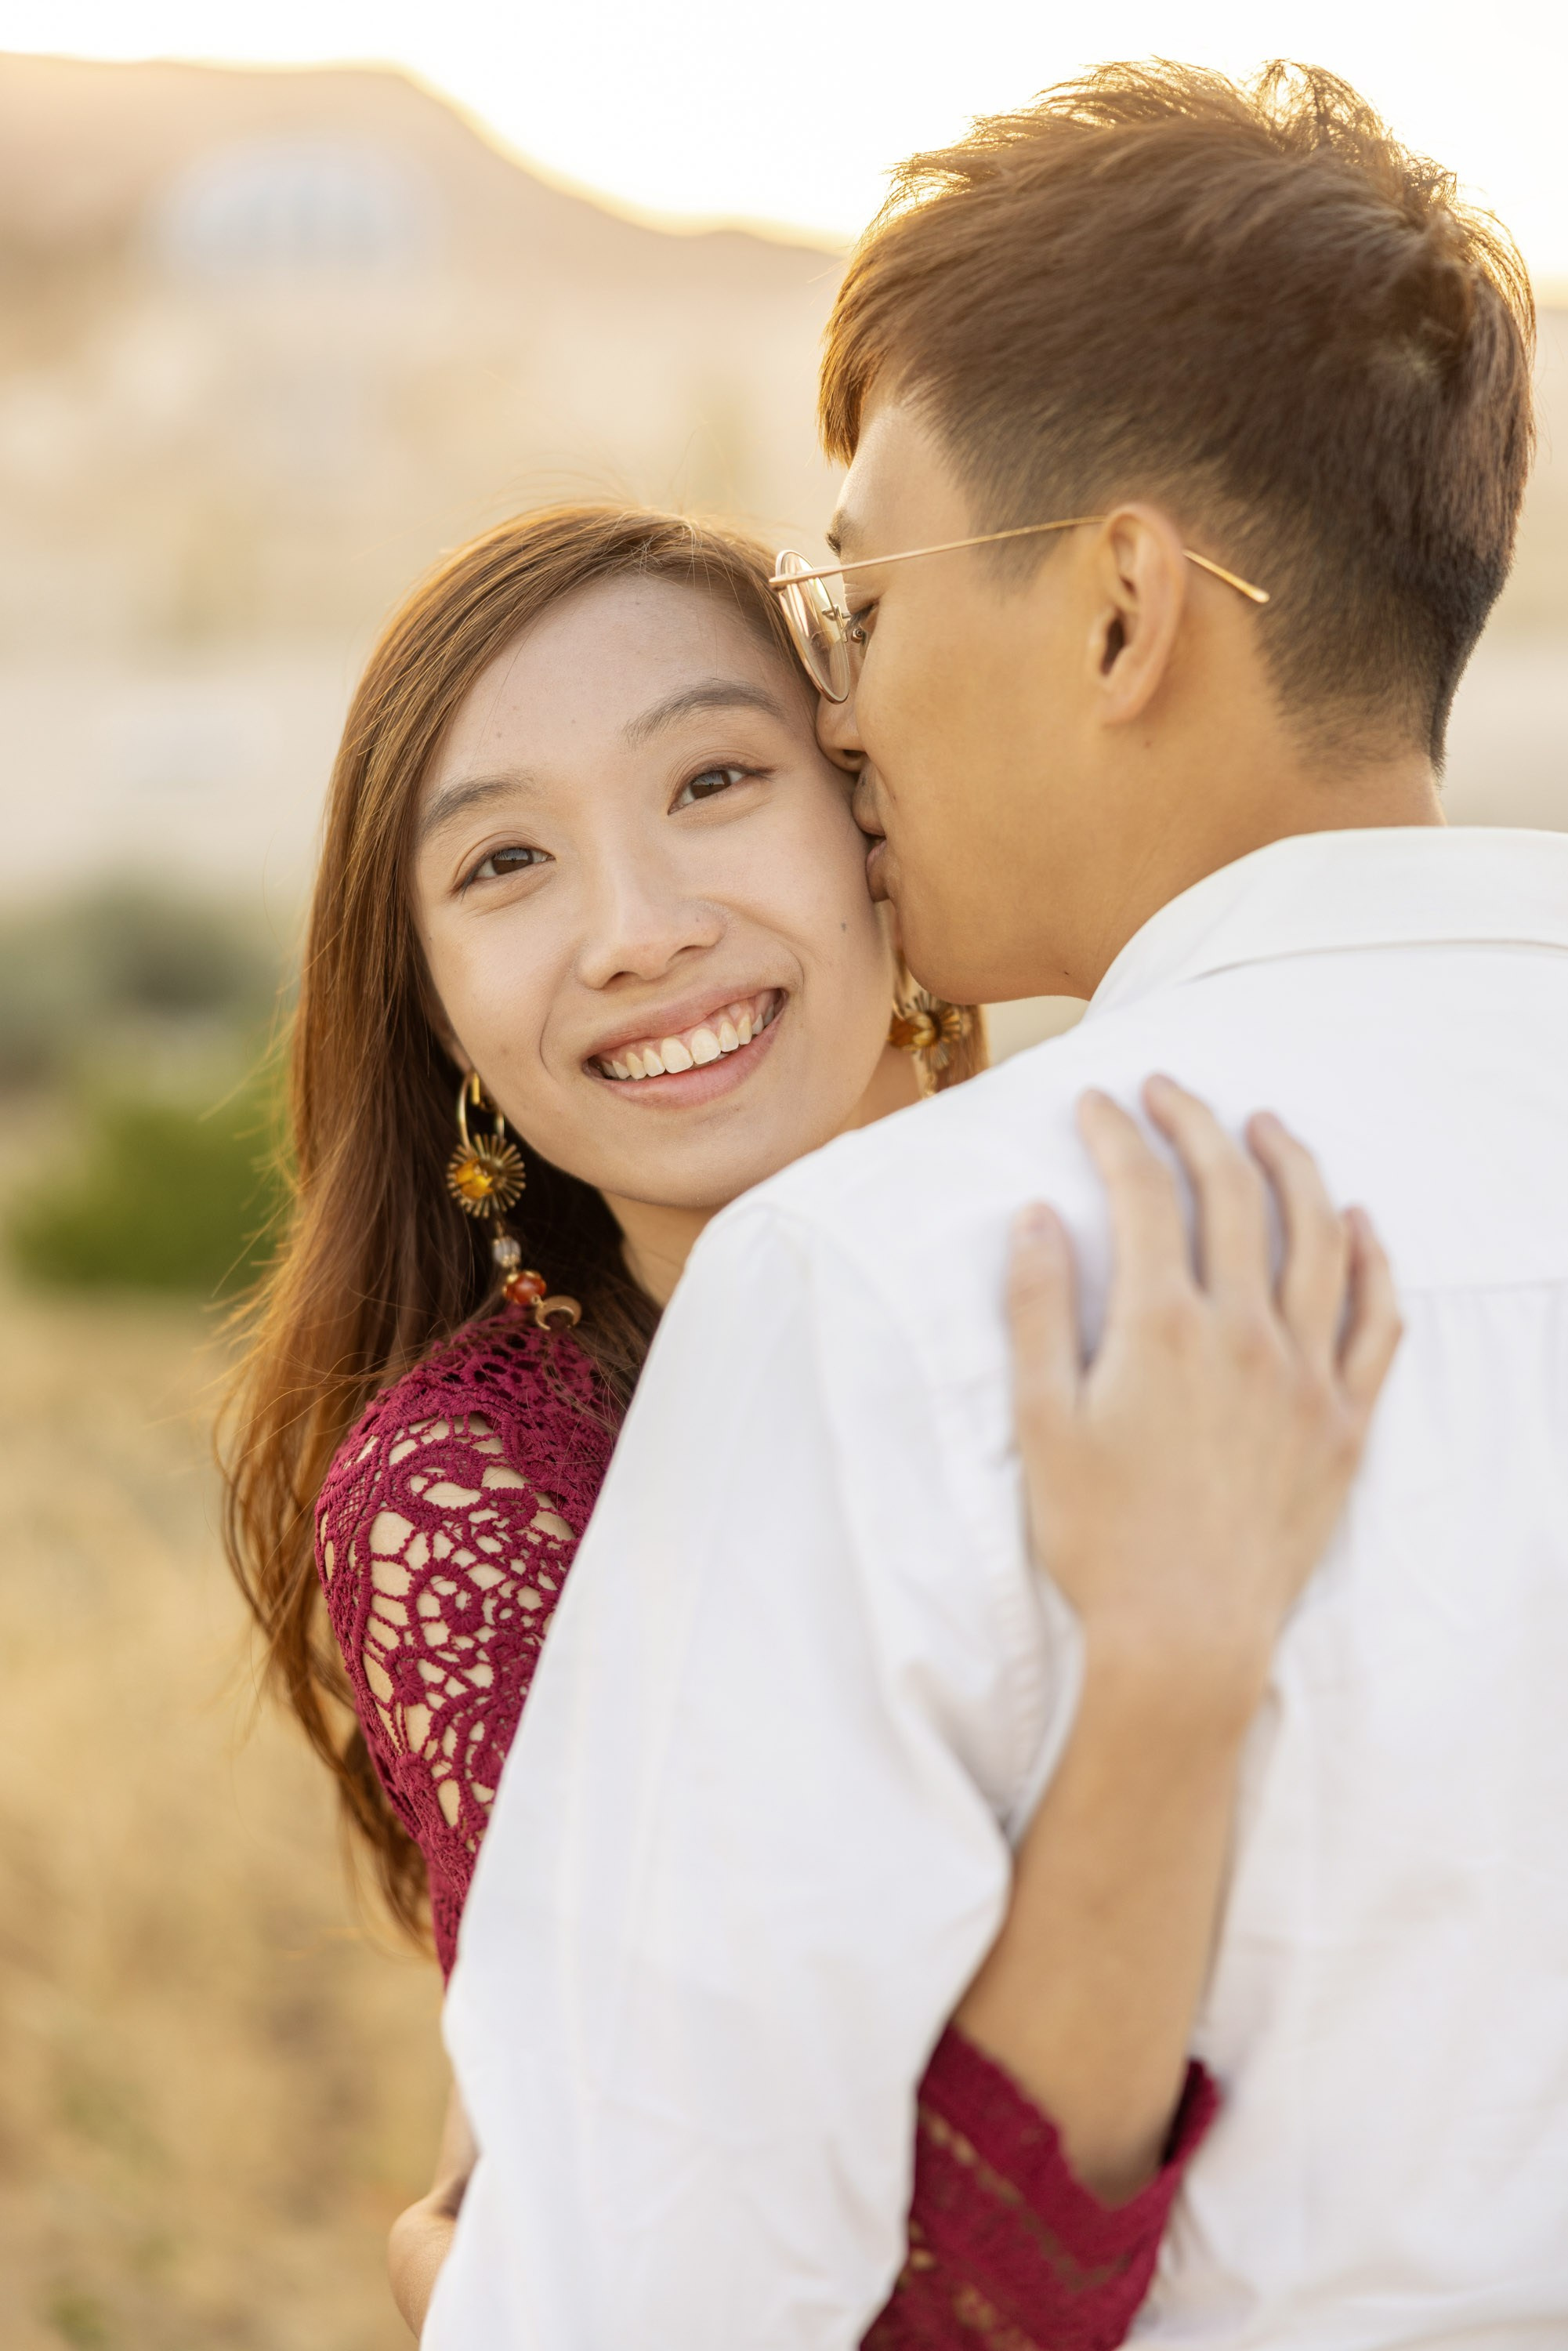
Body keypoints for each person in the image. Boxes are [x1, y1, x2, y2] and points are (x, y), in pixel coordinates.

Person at [423, 58, 1568, 2351]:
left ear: (1126, 611)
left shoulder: (887, 1287)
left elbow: (645, 2298)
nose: (840, 711)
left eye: (862, 590)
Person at [221, 502, 1396, 2348]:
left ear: (875, 823)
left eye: (710, 781)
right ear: (440, 1012)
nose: (637, 931)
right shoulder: (483, 1487)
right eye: (506, 862)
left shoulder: (1194, 1257)